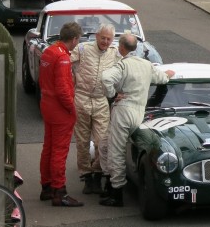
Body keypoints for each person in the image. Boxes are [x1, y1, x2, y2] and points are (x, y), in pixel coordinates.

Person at [99, 33, 175, 207]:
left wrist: (112, 95)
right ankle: (118, 179)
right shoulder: (147, 65)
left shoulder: (123, 65)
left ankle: (116, 193)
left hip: (124, 110)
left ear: (121, 48)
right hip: (138, 113)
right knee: (114, 145)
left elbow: (105, 78)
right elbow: (161, 78)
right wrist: (169, 74)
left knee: (116, 151)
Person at [38, 21, 84, 207]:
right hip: (60, 109)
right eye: (78, 40)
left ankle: (47, 186)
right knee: (59, 151)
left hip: (47, 105)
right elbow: (63, 90)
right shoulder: (63, 58)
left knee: (48, 147)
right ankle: (59, 191)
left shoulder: (49, 51)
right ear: (74, 39)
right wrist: (72, 109)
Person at [69, 24, 119, 195]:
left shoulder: (114, 53)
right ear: (97, 36)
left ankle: (97, 173)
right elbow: (66, 64)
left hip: (101, 101)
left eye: (109, 39)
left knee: (101, 141)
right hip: (81, 99)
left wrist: (120, 92)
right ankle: (86, 176)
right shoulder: (83, 48)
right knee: (82, 142)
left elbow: (122, 73)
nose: (105, 41)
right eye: (103, 37)